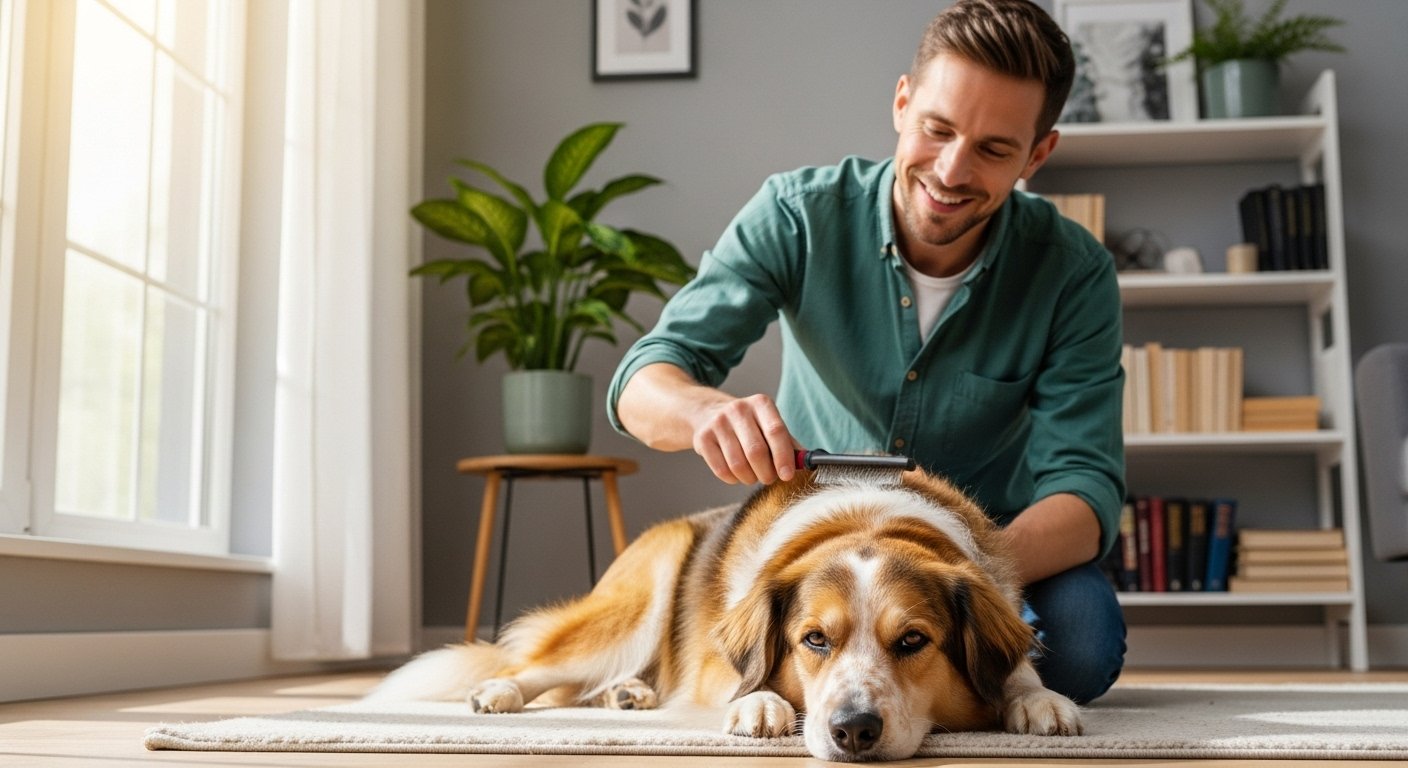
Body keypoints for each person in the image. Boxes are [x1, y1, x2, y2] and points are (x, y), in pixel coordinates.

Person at [606, 0, 1125, 704]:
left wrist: (959, 563)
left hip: (984, 555)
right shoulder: (796, 214)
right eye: (937, 129)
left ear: (1038, 153)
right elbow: (645, 381)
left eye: (994, 149)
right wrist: (703, 415)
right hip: (820, 547)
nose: (950, 171)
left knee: (1083, 646)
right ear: (903, 103)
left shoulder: (1074, 271)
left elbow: (1084, 493)